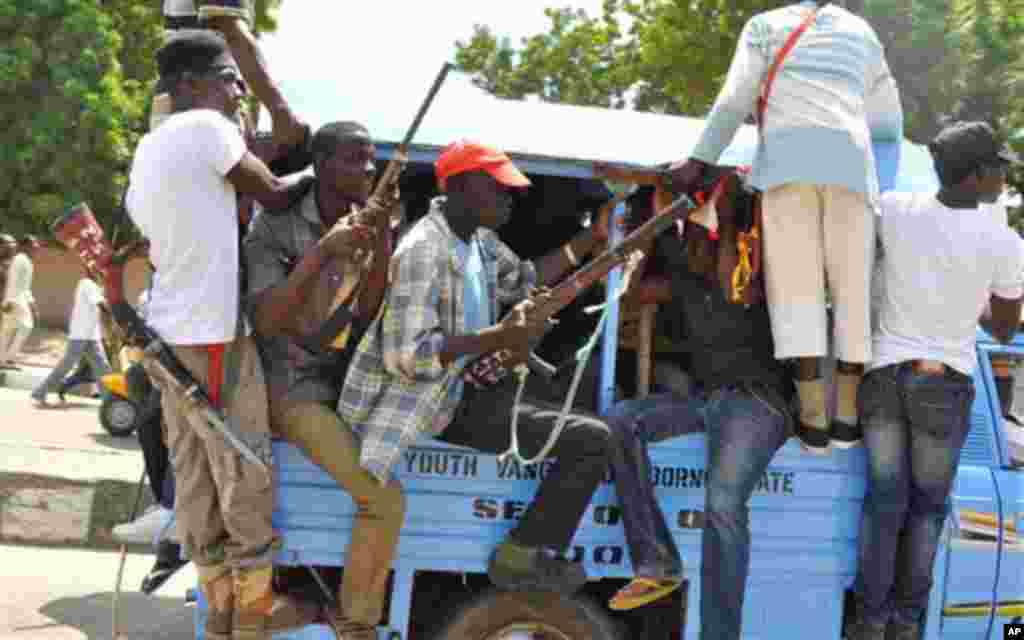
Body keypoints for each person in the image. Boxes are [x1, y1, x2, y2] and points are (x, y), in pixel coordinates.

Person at [340, 140, 614, 594]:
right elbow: (406, 354)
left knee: (579, 401)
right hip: (442, 405)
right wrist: (497, 339)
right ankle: (522, 554)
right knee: (593, 440)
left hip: (477, 389)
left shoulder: (479, 243)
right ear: (462, 187)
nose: (509, 200)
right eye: (499, 190)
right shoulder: (423, 249)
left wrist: (593, 240)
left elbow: (524, 280)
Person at [125, 30, 318, 640]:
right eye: (228, 78)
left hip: (166, 338)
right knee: (245, 469)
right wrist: (323, 168)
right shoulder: (209, 130)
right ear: (191, 86)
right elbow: (278, 196)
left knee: (196, 477)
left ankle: (219, 625)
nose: (237, 91)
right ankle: (250, 625)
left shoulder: (151, 146)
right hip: (212, 335)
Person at [668, 0, 903, 453]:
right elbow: (888, 124)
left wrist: (699, 161)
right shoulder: (863, 33)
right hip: (854, 170)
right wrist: (881, 186)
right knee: (852, 288)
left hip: (788, 165)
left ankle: (813, 421)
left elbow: (734, 100)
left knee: (798, 291)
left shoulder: (763, 27)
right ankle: (847, 417)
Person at [848, 121, 1024, 640]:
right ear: (975, 177)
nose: (1004, 179)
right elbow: (1005, 326)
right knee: (926, 512)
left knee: (883, 506)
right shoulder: (1003, 241)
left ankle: (867, 623)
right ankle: (905, 626)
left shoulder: (897, 210)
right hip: (942, 388)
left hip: (881, 381)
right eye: (998, 169)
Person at [601, 206, 795, 640]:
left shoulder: (749, 277)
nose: (691, 252)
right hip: (709, 401)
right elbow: (628, 298)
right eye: (686, 243)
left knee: (723, 504)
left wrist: (724, 218)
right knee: (620, 420)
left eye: (700, 242)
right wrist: (645, 238)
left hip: (757, 402)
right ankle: (656, 561)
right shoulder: (685, 280)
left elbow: (731, 284)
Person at [245, 121, 400, 640]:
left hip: (340, 383)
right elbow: (266, 322)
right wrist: (323, 252)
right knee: (384, 499)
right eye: (357, 159)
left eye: (372, 159)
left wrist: (382, 243)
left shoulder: (364, 220)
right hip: (288, 387)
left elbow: (370, 310)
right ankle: (356, 623)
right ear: (324, 164)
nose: (369, 169)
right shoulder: (276, 225)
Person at [31, 277, 112, 406]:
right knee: (66, 365)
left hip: (91, 335)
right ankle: (40, 392)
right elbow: (101, 305)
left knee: (102, 366)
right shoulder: (87, 284)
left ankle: (110, 400)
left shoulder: (97, 286)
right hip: (80, 334)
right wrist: (115, 314)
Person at [1, 235, 39, 370]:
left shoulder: (27, 262)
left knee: (7, 331)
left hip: (19, 298)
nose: (36, 248)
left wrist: (33, 305)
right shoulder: (19, 259)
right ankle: (9, 358)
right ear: (25, 246)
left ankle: (3, 360)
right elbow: (13, 280)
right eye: (34, 246)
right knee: (26, 326)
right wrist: (9, 301)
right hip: (15, 299)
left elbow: (26, 287)